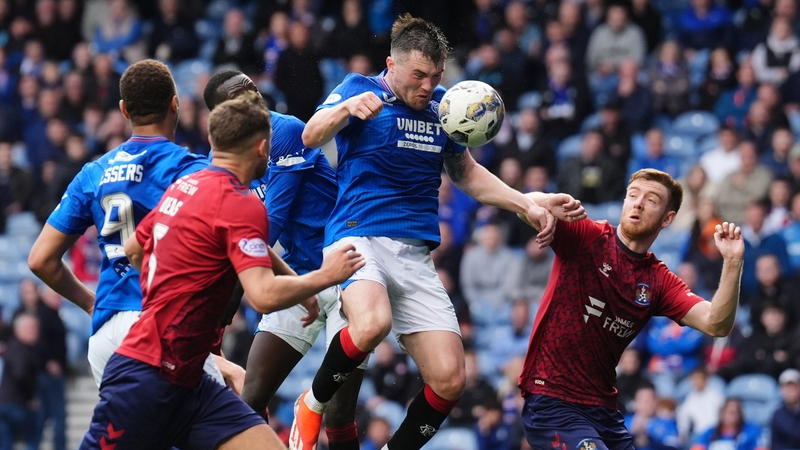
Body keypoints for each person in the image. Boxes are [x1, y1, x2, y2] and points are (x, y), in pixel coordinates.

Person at [288, 13, 585, 450]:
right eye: (419, 75)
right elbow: (310, 136)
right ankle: (310, 404)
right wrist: (343, 110)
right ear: (391, 65)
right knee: (371, 325)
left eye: (436, 75)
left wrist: (527, 203)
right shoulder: (359, 89)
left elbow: (467, 174)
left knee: (450, 380)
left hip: (414, 253)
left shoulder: (446, 107)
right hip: (359, 234)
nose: (427, 86)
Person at [80, 91, 365, 449]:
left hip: (193, 380)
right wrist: (325, 276)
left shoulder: (187, 185)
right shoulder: (240, 204)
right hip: (147, 373)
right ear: (263, 148)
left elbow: (136, 248)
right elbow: (261, 296)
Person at [25, 60, 240, 389]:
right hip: (160, 324)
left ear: (124, 110)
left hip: (105, 337)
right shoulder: (193, 170)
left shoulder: (94, 173)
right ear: (175, 104)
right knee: (231, 416)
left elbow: (40, 259)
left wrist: (90, 302)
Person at [519, 168, 745, 449]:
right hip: (553, 402)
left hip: (604, 412)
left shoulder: (658, 281)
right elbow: (524, 205)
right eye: (633, 195)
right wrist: (545, 200)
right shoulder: (589, 238)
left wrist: (733, 263)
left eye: (651, 200)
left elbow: (716, 324)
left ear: (668, 218)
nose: (638, 203)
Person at [202, 69, 367, 450]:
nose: (255, 100)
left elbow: (269, 223)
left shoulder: (287, 130)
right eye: (241, 99)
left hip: (346, 269)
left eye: (255, 91)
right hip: (298, 273)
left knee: (340, 416)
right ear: (222, 116)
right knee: (251, 396)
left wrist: (227, 301)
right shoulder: (219, 157)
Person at [771, 368, 800, 450]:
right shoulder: (778, 415)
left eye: (793, 387)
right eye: (787, 387)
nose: (790, 391)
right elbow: (775, 444)